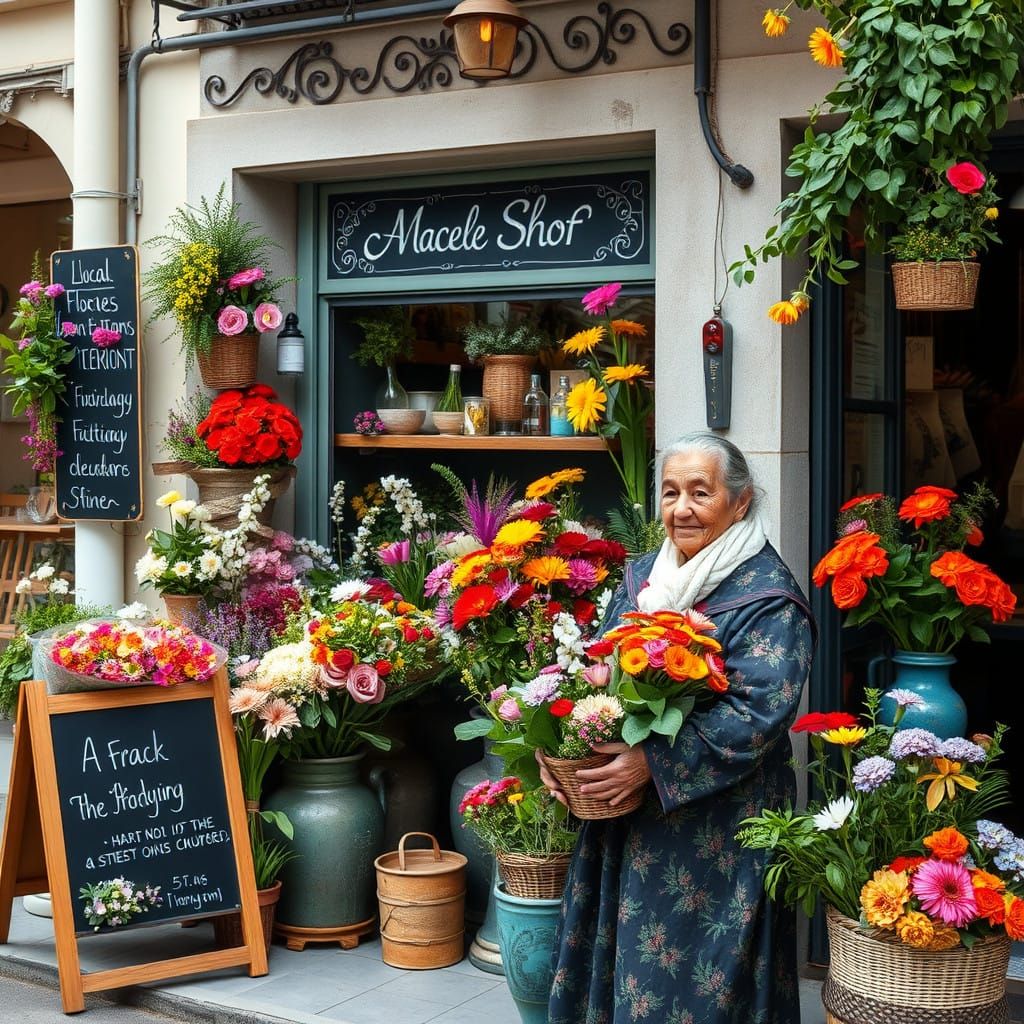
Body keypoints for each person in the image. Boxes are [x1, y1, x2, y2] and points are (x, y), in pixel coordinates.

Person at [541, 431, 815, 1024]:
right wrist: (560, 743)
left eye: (700, 492)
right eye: (670, 493)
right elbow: (598, 670)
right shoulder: (645, 576)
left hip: (719, 827)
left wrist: (649, 762)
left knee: (705, 980)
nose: (681, 508)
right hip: (627, 815)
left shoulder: (768, 597)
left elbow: (759, 716)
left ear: (740, 503)